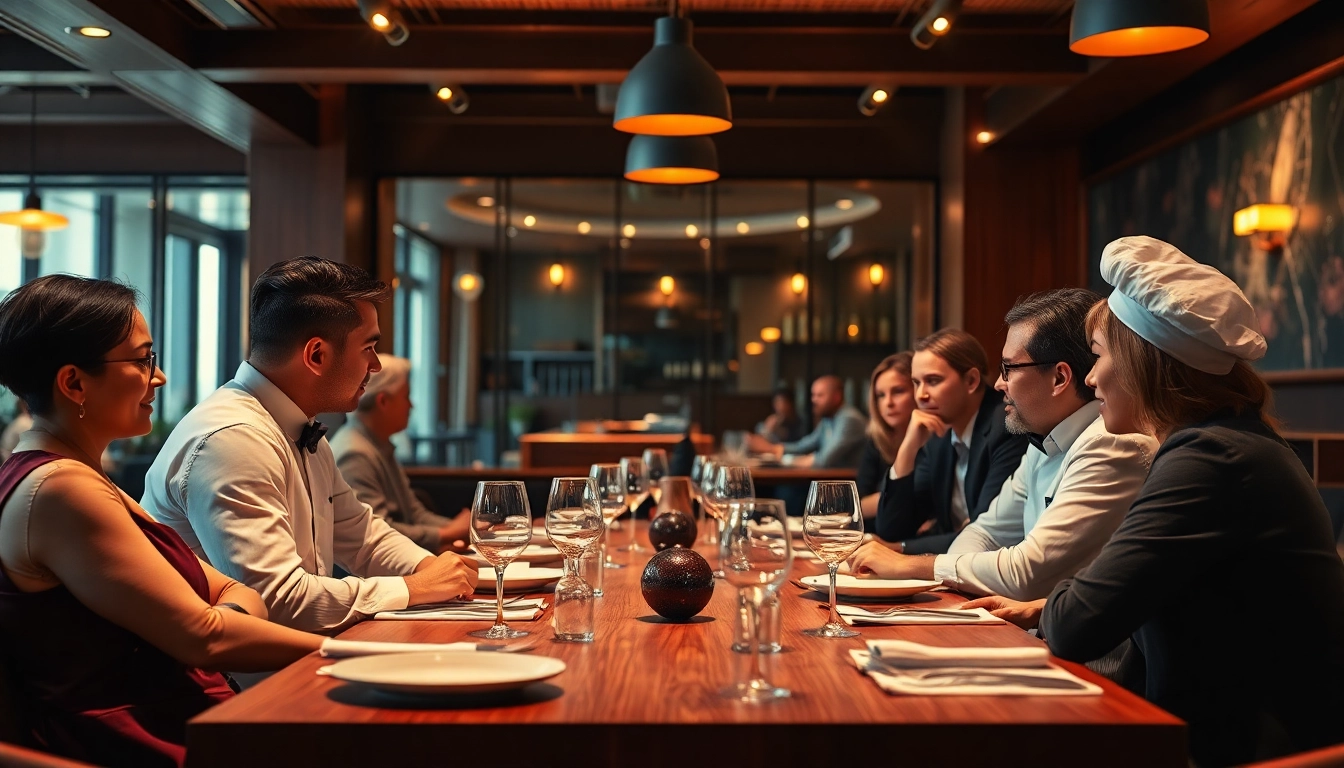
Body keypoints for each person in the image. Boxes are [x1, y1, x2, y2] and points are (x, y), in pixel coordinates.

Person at [961, 237, 1344, 766]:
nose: (1091, 377)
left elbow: (1079, 624)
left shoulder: (1208, 458)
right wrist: (1048, 607)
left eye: (1097, 357)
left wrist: (1057, 607)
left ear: (1145, 364)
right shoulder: (1231, 442)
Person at [0, 276, 322, 767]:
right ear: (73, 382)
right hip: (133, 745)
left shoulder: (76, 478)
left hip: (177, 724)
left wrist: (214, 626)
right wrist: (347, 655)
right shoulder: (60, 490)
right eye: (142, 359)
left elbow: (231, 601)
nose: (159, 377)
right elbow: (206, 637)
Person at [143, 257, 478, 634]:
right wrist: (411, 588)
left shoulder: (298, 426)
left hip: (296, 662)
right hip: (236, 683)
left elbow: (361, 534)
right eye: (368, 348)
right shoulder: (233, 439)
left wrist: (425, 567)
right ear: (317, 355)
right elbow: (275, 600)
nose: (376, 366)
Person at [850, 289, 1156, 601]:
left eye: (1008, 368)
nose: (998, 383)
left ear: (1059, 378)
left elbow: (1025, 573)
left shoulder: (1112, 445)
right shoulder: (1044, 441)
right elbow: (985, 532)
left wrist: (912, 566)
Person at [873, 328, 1029, 553]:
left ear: (971, 381)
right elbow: (891, 528)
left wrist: (898, 549)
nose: (920, 395)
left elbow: (985, 534)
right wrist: (908, 448)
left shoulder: (1006, 425)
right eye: (916, 383)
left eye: (933, 381)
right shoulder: (938, 436)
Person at [330, 354, 469, 553]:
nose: (411, 406)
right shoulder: (355, 453)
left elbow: (414, 514)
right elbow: (374, 532)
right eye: (406, 396)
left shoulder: (377, 443)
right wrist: (448, 533)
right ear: (383, 401)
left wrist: (464, 529)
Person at [746, 375, 865, 469]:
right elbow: (805, 445)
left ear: (836, 397)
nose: (814, 400)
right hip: (832, 481)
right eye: (813, 395)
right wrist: (773, 448)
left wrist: (782, 458)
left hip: (851, 486)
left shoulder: (849, 419)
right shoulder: (828, 418)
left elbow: (823, 460)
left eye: (820, 395)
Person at [857, 352, 915, 519]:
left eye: (898, 391)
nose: (888, 402)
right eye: (881, 395)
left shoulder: (937, 441)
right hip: (873, 534)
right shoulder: (876, 440)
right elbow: (857, 505)